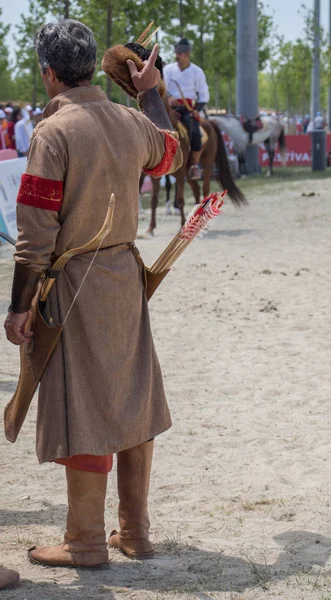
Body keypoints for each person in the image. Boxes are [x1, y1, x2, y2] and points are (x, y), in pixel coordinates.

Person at [4, 19, 182, 569]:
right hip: (125, 280)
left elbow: (34, 238)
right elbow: (171, 153)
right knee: (132, 396)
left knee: (83, 406)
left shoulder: (53, 134)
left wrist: (17, 308)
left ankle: (84, 541)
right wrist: (151, 91)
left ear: (50, 73)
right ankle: (135, 532)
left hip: (72, 285)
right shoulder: (131, 119)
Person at [163, 37, 209, 180]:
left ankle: (194, 164)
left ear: (187, 55)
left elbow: (203, 94)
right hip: (169, 108)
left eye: (180, 54)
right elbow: (162, 87)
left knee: (195, 131)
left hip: (188, 109)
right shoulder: (168, 69)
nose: (177, 56)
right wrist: (169, 97)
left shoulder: (197, 72)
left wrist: (197, 109)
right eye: (176, 53)